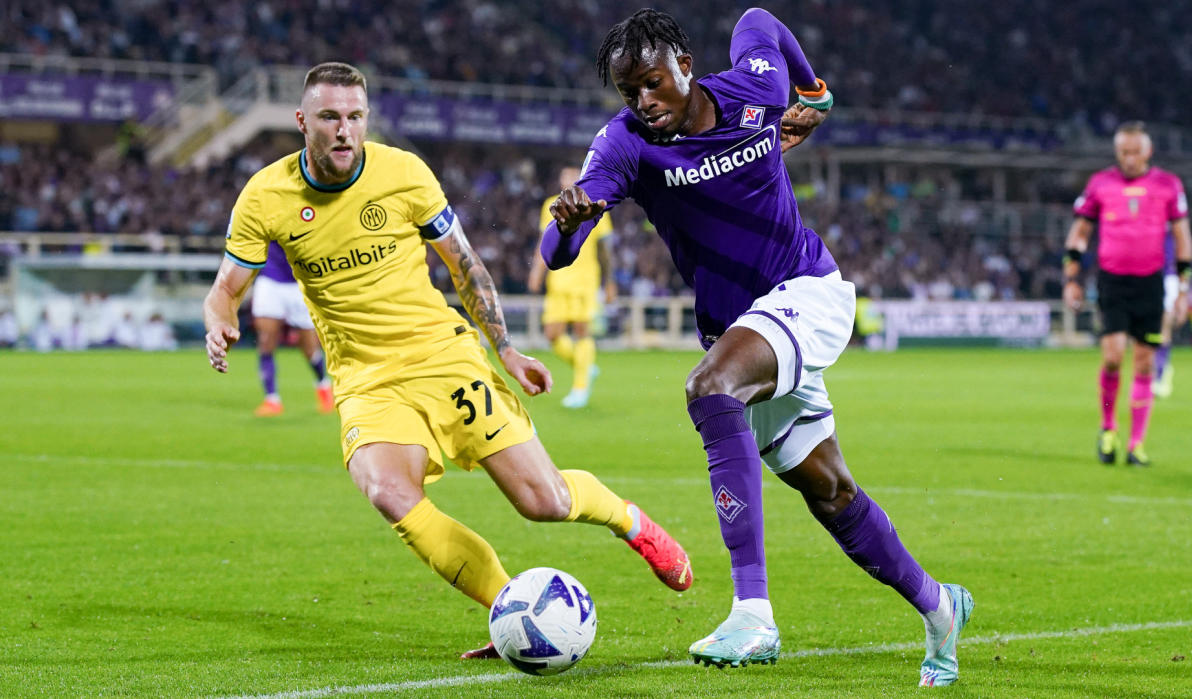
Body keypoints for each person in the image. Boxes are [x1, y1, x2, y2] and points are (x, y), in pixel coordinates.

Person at [203, 62, 692, 658]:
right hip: (366, 378)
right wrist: (219, 315)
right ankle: (511, 608)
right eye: (329, 117)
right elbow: (228, 286)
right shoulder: (266, 196)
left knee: (545, 503)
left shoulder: (404, 173)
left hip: (444, 356)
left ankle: (629, 521)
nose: (343, 131)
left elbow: (463, 265)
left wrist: (505, 349)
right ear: (302, 121)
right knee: (387, 490)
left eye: (355, 117)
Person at [542, 9, 971, 687]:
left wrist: (813, 91)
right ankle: (941, 606)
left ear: (685, 63)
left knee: (709, 388)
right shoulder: (625, 144)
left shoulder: (756, 87)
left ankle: (753, 613)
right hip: (743, 328)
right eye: (630, 92)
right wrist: (569, 223)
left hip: (808, 292)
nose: (643, 101)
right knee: (828, 489)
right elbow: (557, 251)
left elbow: (758, 19)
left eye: (652, 82)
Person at [1064, 121, 1192, 466]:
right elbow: (1080, 231)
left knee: (1146, 362)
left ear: (1148, 151)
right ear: (1116, 152)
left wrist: (1182, 289)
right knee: (1112, 355)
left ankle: (1136, 444)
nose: (1130, 158)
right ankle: (1108, 430)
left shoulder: (1168, 185)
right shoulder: (1100, 183)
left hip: (1150, 282)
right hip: (1113, 281)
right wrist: (1071, 277)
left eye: (1136, 152)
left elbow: (1182, 237)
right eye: (1124, 152)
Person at [527, 165, 617, 408]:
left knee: (581, 331)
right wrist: (537, 271)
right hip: (558, 281)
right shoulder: (550, 205)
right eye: (564, 174)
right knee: (552, 334)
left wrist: (610, 282)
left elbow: (605, 250)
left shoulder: (596, 205)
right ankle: (584, 365)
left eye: (572, 174)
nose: (567, 179)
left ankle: (580, 388)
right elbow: (542, 242)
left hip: (584, 280)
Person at [251, 242, 334, 416]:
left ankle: (323, 387)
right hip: (270, 280)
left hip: (300, 281)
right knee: (266, 341)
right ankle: (272, 399)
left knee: (310, 348)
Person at [1151, 235, 1182, 398]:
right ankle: (1152, 371)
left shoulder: (1171, 214)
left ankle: (1162, 373)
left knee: (1163, 328)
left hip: (1168, 277)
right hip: (1146, 275)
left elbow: (1184, 247)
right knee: (1148, 329)